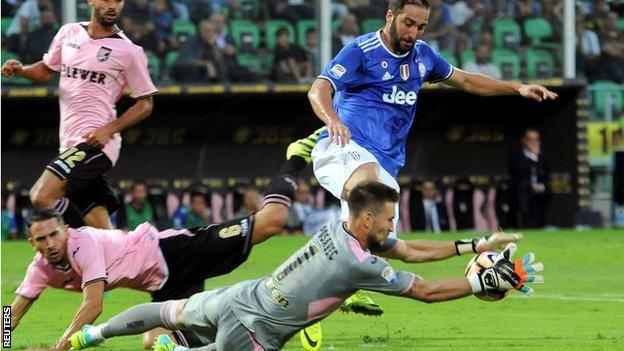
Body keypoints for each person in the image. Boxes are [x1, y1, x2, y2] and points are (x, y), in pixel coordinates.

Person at [296, 0, 556, 316]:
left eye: (421, 26)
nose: (413, 33)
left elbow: (467, 80)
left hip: (384, 166)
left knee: (381, 243)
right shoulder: (361, 51)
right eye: (408, 23)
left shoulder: (424, 57)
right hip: (342, 146)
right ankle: (335, 280)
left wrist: (517, 88)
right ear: (390, 16)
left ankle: (326, 292)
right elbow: (318, 88)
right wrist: (332, 120)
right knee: (369, 188)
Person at [69, 181, 541, 351]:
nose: (394, 227)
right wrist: (478, 281)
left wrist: (472, 245)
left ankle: (88, 337)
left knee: (167, 312)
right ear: (370, 219)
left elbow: (407, 250)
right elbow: (425, 290)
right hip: (255, 333)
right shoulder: (363, 266)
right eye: (391, 219)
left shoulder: (338, 230)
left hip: (241, 295)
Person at [9, 154, 311, 350]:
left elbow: (93, 305)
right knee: (154, 342)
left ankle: (296, 157)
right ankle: (260, 325)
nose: (50, 243)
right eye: (42, 239)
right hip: (163, 284)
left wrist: (59, 347)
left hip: (174, 250)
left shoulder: (82, 242)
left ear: (65, 230)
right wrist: (4, 342)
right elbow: (12, 314)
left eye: (53, 234)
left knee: (271, 222)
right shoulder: (40, 268)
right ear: (31, 243)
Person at [1, 0, 157, 230]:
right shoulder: (69, 32)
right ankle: (123, 257)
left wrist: (108, 130)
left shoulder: (129, 51)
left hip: (96, 143)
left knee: (41, 197)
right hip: (69, 144)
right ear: (91, 1)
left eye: (118, 0)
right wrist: (21, 70)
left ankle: (78, 245)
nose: (113, 5)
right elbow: (46, 71)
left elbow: (145, 103)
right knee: (99, 226)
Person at [508, 128, 550, 229]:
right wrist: (533, 157)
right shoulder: (516, 155)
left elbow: (546, 176)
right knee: (523, 190)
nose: (534, 143)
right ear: (524, 140)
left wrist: (540, 187)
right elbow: (520, 174)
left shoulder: (544, 156)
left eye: (536, 140)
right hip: (522, 193)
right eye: (531, 140)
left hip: (540, 194)